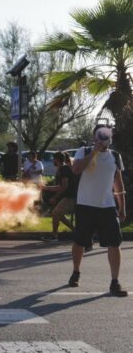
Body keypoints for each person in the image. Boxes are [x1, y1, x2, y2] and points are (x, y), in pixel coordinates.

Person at [68, 125, 127, 297]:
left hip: (107, 206)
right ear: (94, 137)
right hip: (85, 204)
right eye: (99, 136)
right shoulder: (83, 150)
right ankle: (76, 271)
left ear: (110, 138)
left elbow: (118, 183)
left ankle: (114, 282)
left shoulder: (115, 156)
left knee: (114, 243)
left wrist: (122, 207)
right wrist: (94, 151)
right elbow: (76, 169)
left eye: (105, 136)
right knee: (80, 241)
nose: (102, 139)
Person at [41, 152, 77, 242]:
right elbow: (59, 187)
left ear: (57, 160)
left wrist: (55, 197)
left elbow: (64, 186)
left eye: (53, 159)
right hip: (69, 196)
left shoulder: (64, 170)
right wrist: (46, 188)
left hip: (70, 197)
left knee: (55, 213)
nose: (52, 160)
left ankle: (54, 236)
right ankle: (76, 232)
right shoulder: (61, 169)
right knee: (58, 214)